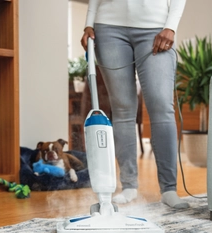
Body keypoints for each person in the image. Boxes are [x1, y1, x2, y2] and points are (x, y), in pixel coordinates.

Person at [80, 0, 189, 209]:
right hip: (108, 26)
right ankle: (128, 186)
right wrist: (89, 22)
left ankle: (169, 189)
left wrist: (171, 26)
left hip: (156, 27)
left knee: (161, 108)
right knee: (121, 108)